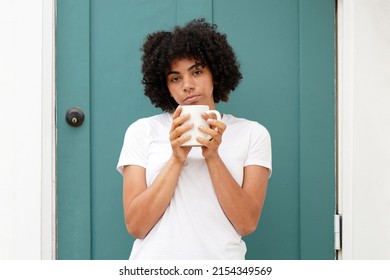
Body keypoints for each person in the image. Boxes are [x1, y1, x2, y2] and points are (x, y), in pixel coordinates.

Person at [117, 18, 272, 260]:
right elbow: (136, 225)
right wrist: (177, 158)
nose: (187, 86)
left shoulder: (253, 134)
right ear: (166, 86)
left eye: (197, 72)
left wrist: (212, 156)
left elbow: (246, 223)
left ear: (215, 74)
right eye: (175, 78)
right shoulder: (142, 131)